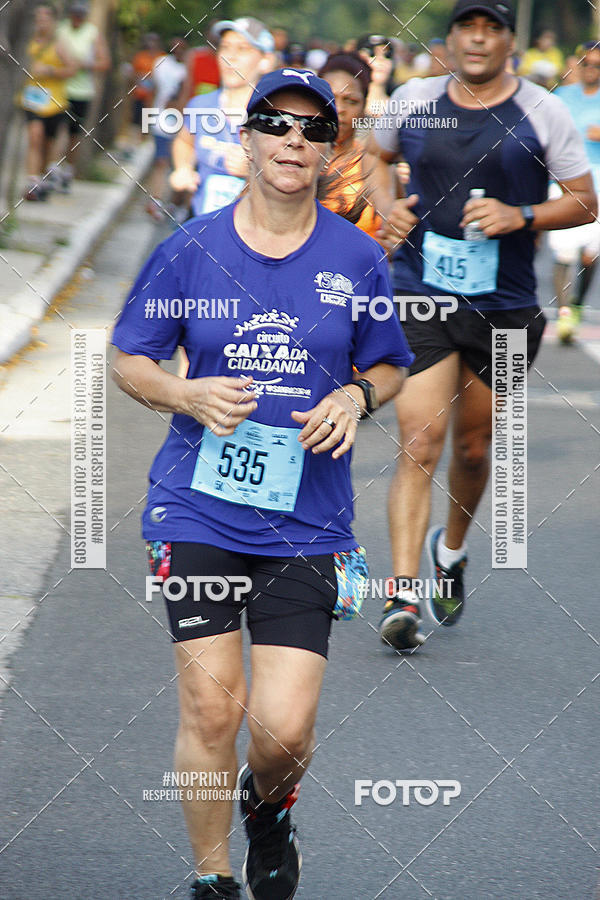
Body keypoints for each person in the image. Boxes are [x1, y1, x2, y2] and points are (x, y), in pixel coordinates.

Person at [111, 68, 413, 900]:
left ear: (329, 151)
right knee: (211, 710)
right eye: (275, 124)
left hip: (306, 520)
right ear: (245, 140)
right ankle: (212, 878)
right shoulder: (191, 248)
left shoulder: (355, 257)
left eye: (313, 129)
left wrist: (354, 397)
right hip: (196, 507)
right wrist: (185, 394)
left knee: (282, 733)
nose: (292, 140)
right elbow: (129, 358)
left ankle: (270, 806)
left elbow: (389, 363)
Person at [369, 0, 596, 650]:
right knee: (420, 441)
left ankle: (452, 550)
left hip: (506, 307)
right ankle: (402, 594)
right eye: (467, 26)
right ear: (449, 38)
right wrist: (387, 206)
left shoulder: (543, 110)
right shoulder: (414, 99)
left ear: (508, 41)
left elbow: (585, 201)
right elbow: (374, 154)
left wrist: (520, 216)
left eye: (491, 27)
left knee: (473, 448)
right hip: (422, 294)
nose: (477, 38)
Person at [169, 17, 274, 218]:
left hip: (256, 228)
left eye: (242, 49)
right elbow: (185, 141)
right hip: (201, 222)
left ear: (265, 61)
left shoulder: (276, 116)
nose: (230, 57)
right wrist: (183, 168)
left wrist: (255, 171)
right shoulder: (201, 105)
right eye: (225, 47)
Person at [548, 41, 600, 344]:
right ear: (577, 65)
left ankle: (577, 305)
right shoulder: (562, 97)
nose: (591, 70)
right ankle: (564, 314)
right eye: (586, 64)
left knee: (589, 256)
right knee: (563, 252)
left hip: (598, 181)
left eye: (597, 65)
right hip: (563, 181)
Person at [318, 51, 394, 239]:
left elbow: (392, 230)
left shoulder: (374, 166)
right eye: (330, 98)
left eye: (350, 101)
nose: (339, 109)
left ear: (363, 108)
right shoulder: (291, 156)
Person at [19, 3, 76, 201]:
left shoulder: (59, 44)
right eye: (38, 19)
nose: (41, 23)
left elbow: (72, 69)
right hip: (32, 98)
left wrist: (50, 71)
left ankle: (41, 180)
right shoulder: (27, 41)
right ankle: (32, 181)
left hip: (54, 100)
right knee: (35, 136)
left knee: (47, 143)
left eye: (45, 19)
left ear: (53, 21)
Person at [55, 0, 110, 188]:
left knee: (73, 134)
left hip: (81, 92)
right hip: (59, 88)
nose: (77, 18)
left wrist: (84, 65)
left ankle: (68, 170)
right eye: (75, 14)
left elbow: (104, 63)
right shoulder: (61, 29)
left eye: (81, 15)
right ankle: (52, 169)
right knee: (56, 129)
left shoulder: (92, 33)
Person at [145, 36, 188, 221]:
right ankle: (155, 200)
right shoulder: (161, 63)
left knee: (178, 163)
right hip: (161, 121)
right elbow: (152, 89)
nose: (178, 49)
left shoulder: (188, 68)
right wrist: (147, 118)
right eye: (175, 46)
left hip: (183, 124)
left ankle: (173, 203)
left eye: (182, 47)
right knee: (161, 161)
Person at [130, 32, 162, 137]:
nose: (152, 43)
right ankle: (138, 137)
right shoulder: (140, 56)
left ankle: (148, 136)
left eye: (154, 41)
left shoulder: (162, 57)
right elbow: (134, 73)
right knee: (139, 116)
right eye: (150, 40)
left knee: (152, 116)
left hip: (156, 94)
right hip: (141, 93)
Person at [356, 34, 396, 117]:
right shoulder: (347, 105)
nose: (381, 59)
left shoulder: (402, 106)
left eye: (387, 55)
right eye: (372, 54)